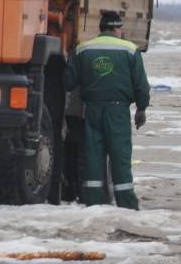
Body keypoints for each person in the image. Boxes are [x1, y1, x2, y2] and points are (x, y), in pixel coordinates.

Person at [64, 11, 150, 210]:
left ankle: (93, 202)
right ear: (118, 28)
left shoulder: (83, 49)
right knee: (119, 156)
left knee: (93, 156)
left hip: (91, 110)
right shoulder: (130, 50)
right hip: (118, 111)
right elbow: (141, 85)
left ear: (101, 28)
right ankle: (126, 203)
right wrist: (141, 108)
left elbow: (68, 81)